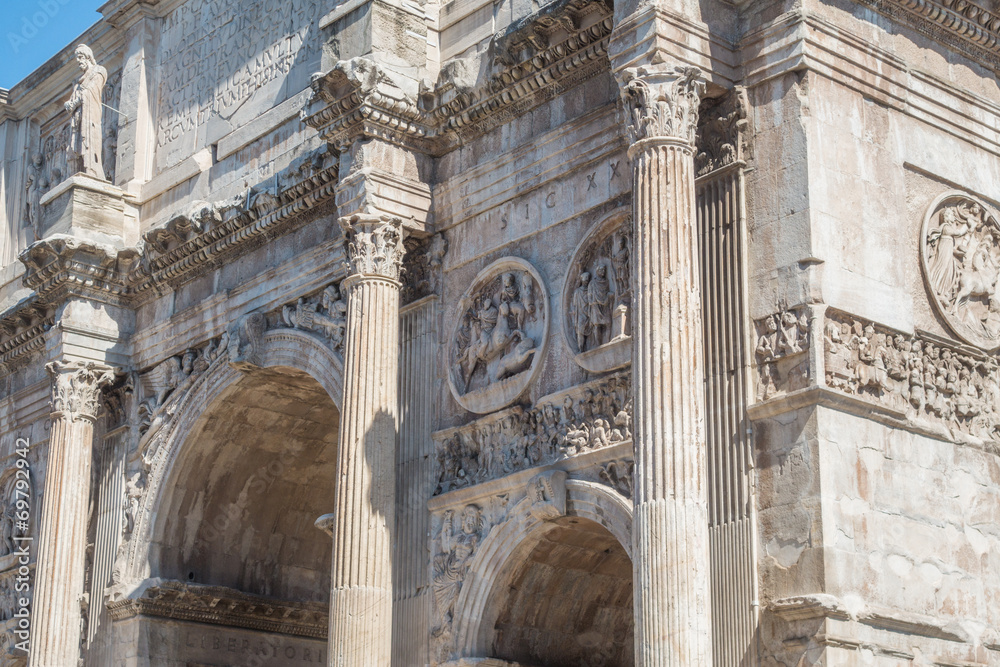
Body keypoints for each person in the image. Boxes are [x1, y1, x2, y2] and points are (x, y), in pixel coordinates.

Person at [65, 44, 108, 179]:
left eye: (80, 57)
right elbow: (74, 98)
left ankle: (92, 170)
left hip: (90, 117)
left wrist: (75, 102)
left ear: (88, 56)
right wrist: (69, 104)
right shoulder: (78, 84)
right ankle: (77, 172)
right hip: (78, 119)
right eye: (77, 58)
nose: (78, 61)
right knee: (74, 147)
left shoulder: (99, 71)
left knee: (89, 142)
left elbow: (91, 90)